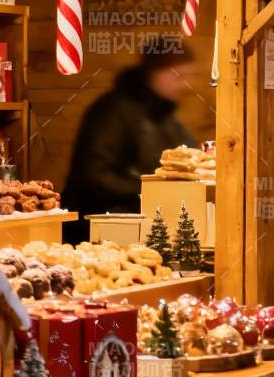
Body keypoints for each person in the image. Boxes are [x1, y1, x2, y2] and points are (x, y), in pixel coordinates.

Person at [63, 40, 198, 240]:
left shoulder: (164, 115)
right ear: (154, 73)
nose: (188, 84)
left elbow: (190, 155)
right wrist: (151, 192)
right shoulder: (112, 111)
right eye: (179, 76)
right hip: (98, 229)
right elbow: (94, 175)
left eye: (191, 76)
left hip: (142, 224)